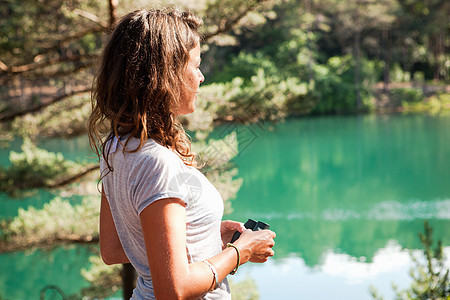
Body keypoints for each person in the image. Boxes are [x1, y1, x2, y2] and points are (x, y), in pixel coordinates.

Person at [88, 8, 276, 300]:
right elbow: (173, 290)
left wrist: (208, 237)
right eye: (196, 65)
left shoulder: (117, 147)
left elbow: (114, 249)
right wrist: (241, 251)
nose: (201, 77)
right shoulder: (157, 163)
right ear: (166, 73)